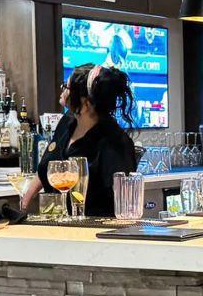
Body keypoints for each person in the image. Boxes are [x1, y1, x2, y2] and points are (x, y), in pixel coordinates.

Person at [22, 65, 137, 217]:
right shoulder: (67, 122)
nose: (63, 90)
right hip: (56, 219)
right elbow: (46, 169)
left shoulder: (115, 143)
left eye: (67, 87)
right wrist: (25, 202)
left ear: (86, 104)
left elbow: (123, 202)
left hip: (95, 226)